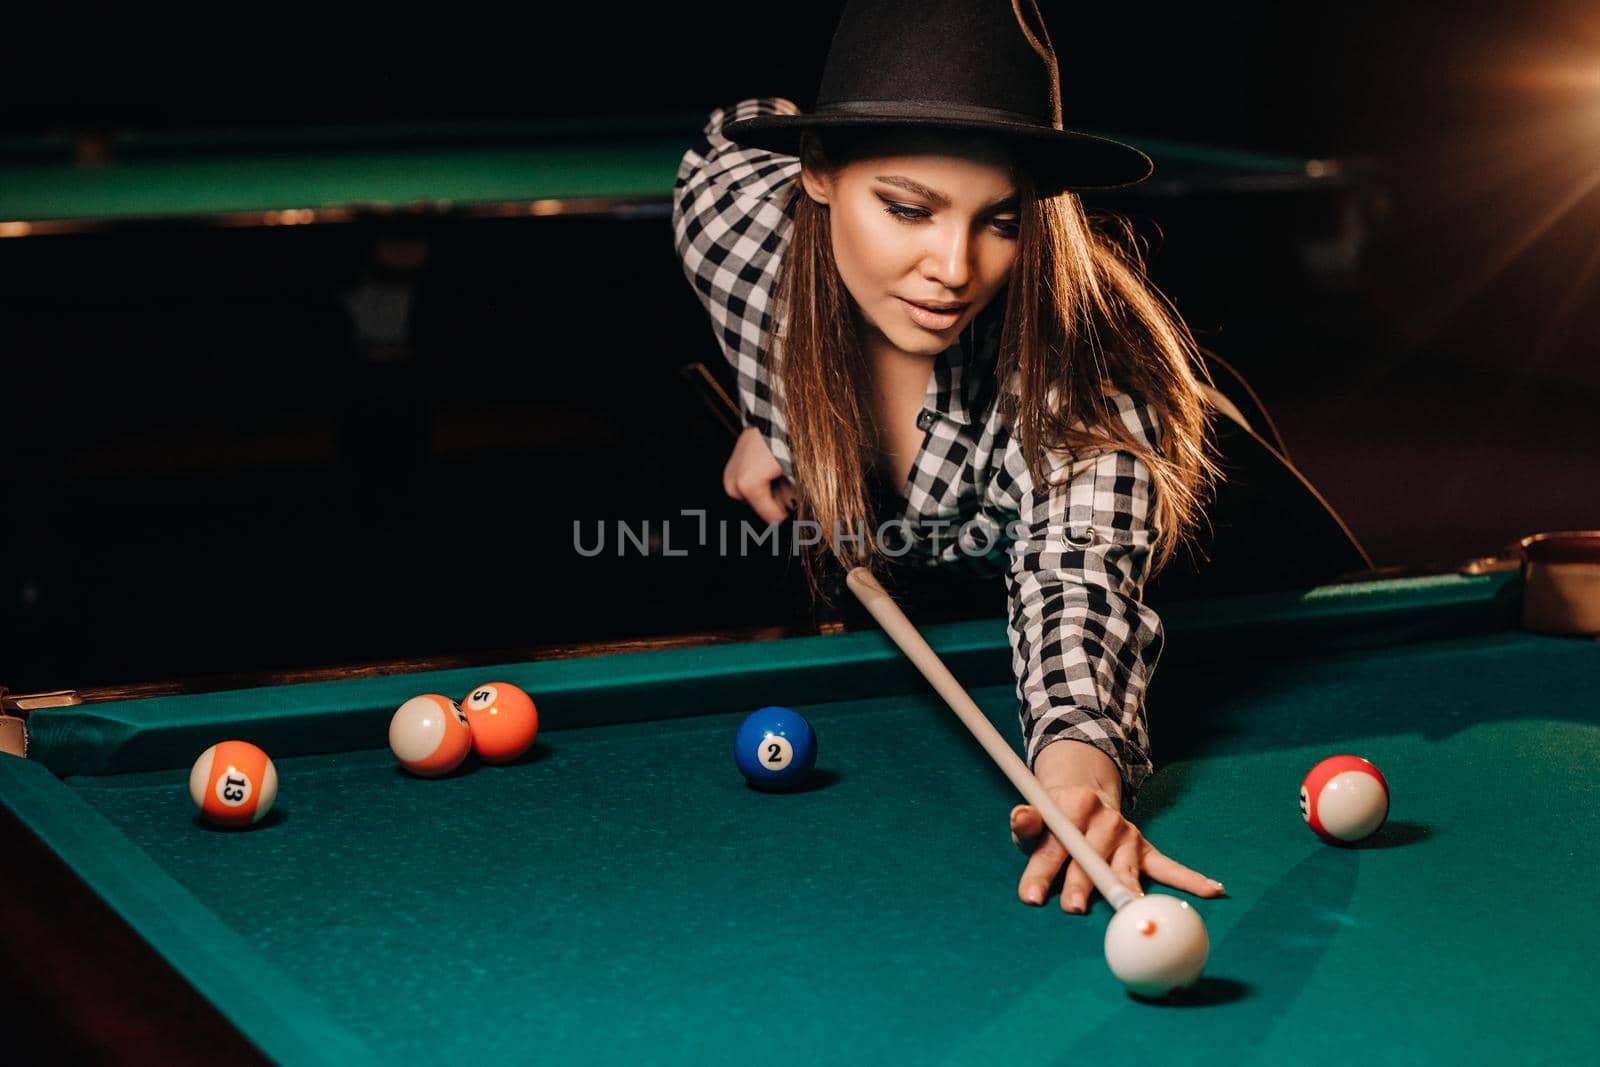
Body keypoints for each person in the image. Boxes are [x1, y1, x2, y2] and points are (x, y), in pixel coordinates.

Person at [671, 0, 1227, 913]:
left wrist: (1079, 772)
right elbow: (723, 139)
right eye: (907, 208)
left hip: (1218, 542)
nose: (955, 268)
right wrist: (774, 409)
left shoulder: (1079, 405)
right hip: (957, 571)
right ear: (815, 171)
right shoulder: (738, 241)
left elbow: (1075, 587)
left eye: (1000, 221)